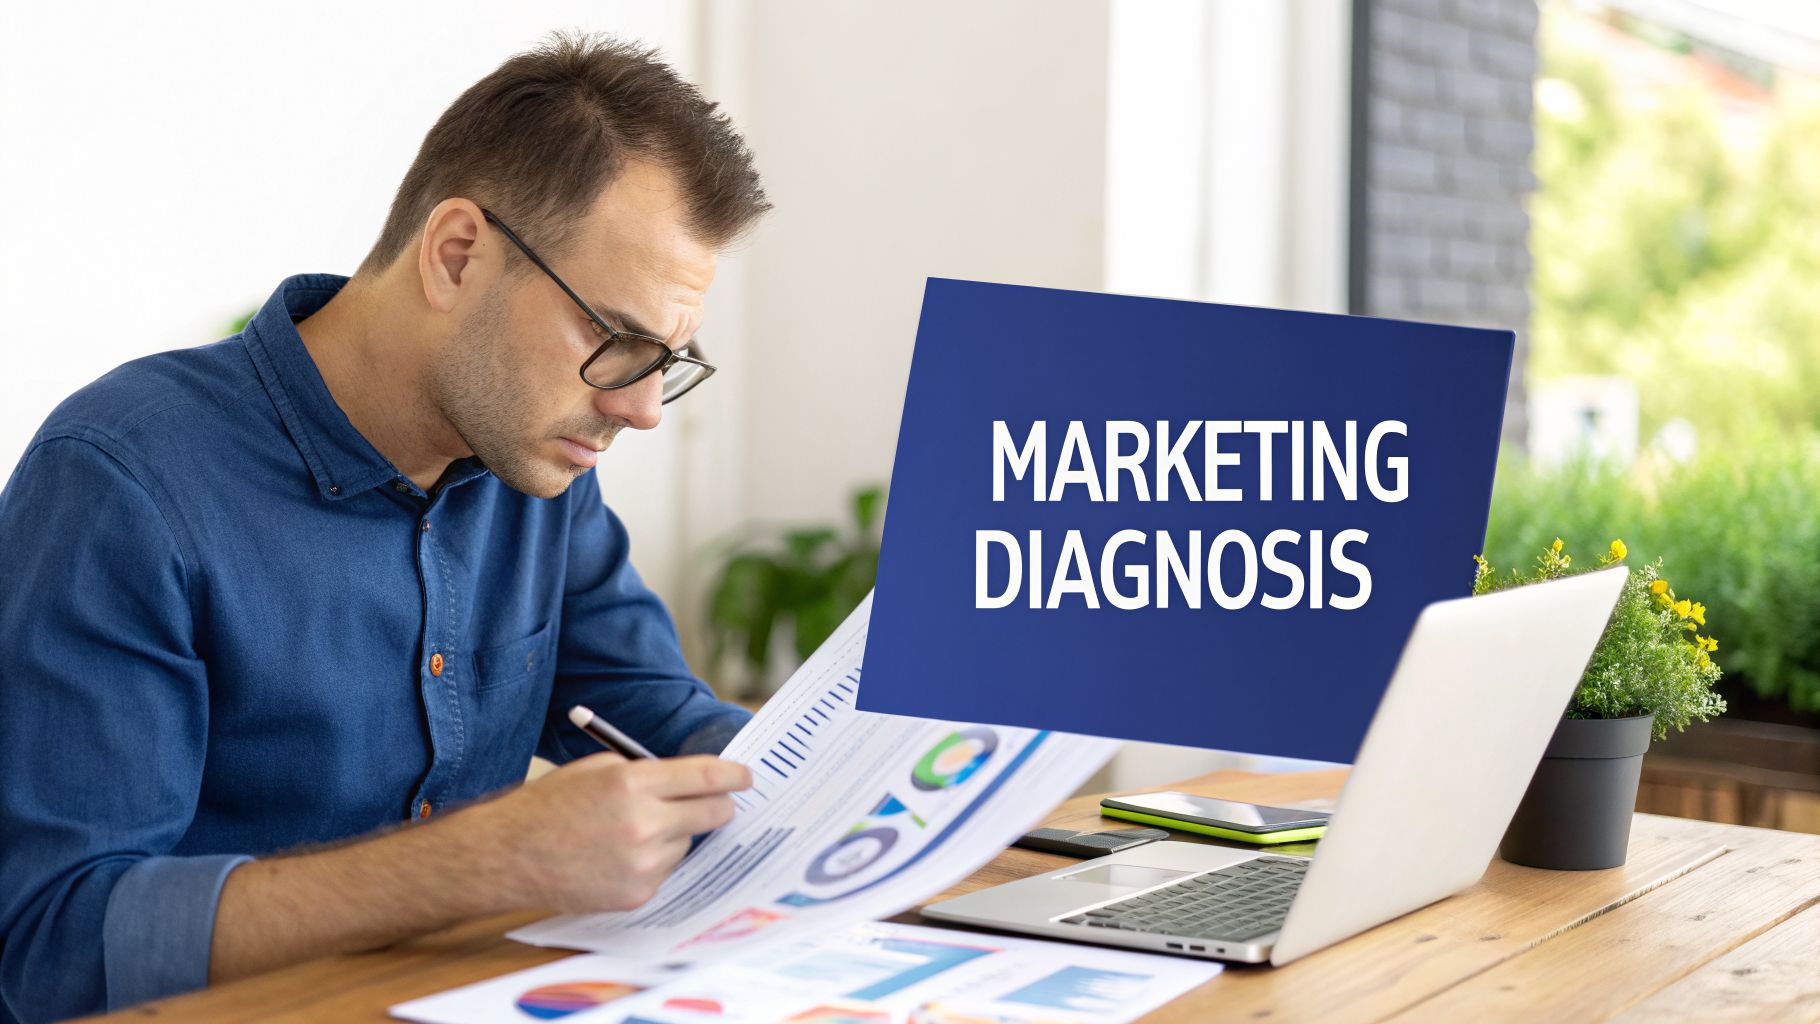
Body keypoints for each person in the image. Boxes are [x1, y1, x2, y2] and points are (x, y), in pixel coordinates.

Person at [0, 32, 771, 1023]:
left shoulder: (533, 461)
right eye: (615, 340)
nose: (642, 409)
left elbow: (654, 718)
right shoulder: (122, 483)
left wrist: (853, 780)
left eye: (667, 357)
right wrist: (480, 860)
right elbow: (50, 942)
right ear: (456, 256)